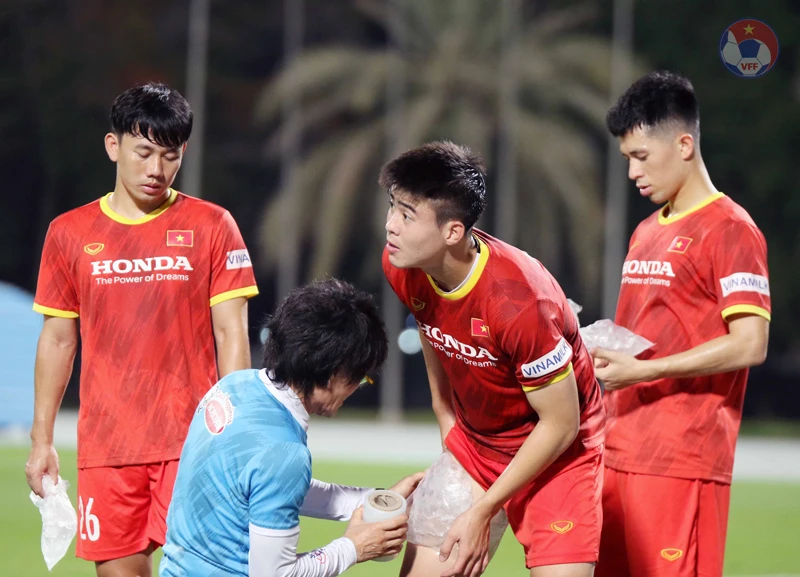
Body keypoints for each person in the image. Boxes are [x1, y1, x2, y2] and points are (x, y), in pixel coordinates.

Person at [27, 82, 259, 577]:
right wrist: (41, 440)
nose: (157, 169)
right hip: (107, 447)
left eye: (170, 156)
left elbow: (231, 336)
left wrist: (235, 432)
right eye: (144, 153)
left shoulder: (212, 225)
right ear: (114, 146)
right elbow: (58, 339)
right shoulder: (69, 233)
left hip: (192, 443)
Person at [381, 141, 605, 577]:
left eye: (407, 216)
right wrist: (446, 419)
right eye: (392, 206)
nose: (391, 225)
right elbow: (431, 325)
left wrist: (482, 510)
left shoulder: (519, 302)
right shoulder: (403, 263)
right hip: (477, 446)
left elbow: (562, 423)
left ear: (453, 232)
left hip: (559, 456)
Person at [593, 71, 770, 577]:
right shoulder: (645, 232)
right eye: (627, 158)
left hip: (681, 460)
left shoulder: (732, 230)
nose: (633, 172)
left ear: (684, 145)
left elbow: (751, 343)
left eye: (641, 156)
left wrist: (646, 371)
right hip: (616, 452)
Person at [160, 278, 422, 577]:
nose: (355, 389)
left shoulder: (232, 387)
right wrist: (354, 547)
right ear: (336, 373)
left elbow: (265, 486)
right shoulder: (284, 453)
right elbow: (275, 574)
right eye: (361, 378)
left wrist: (374, 499)